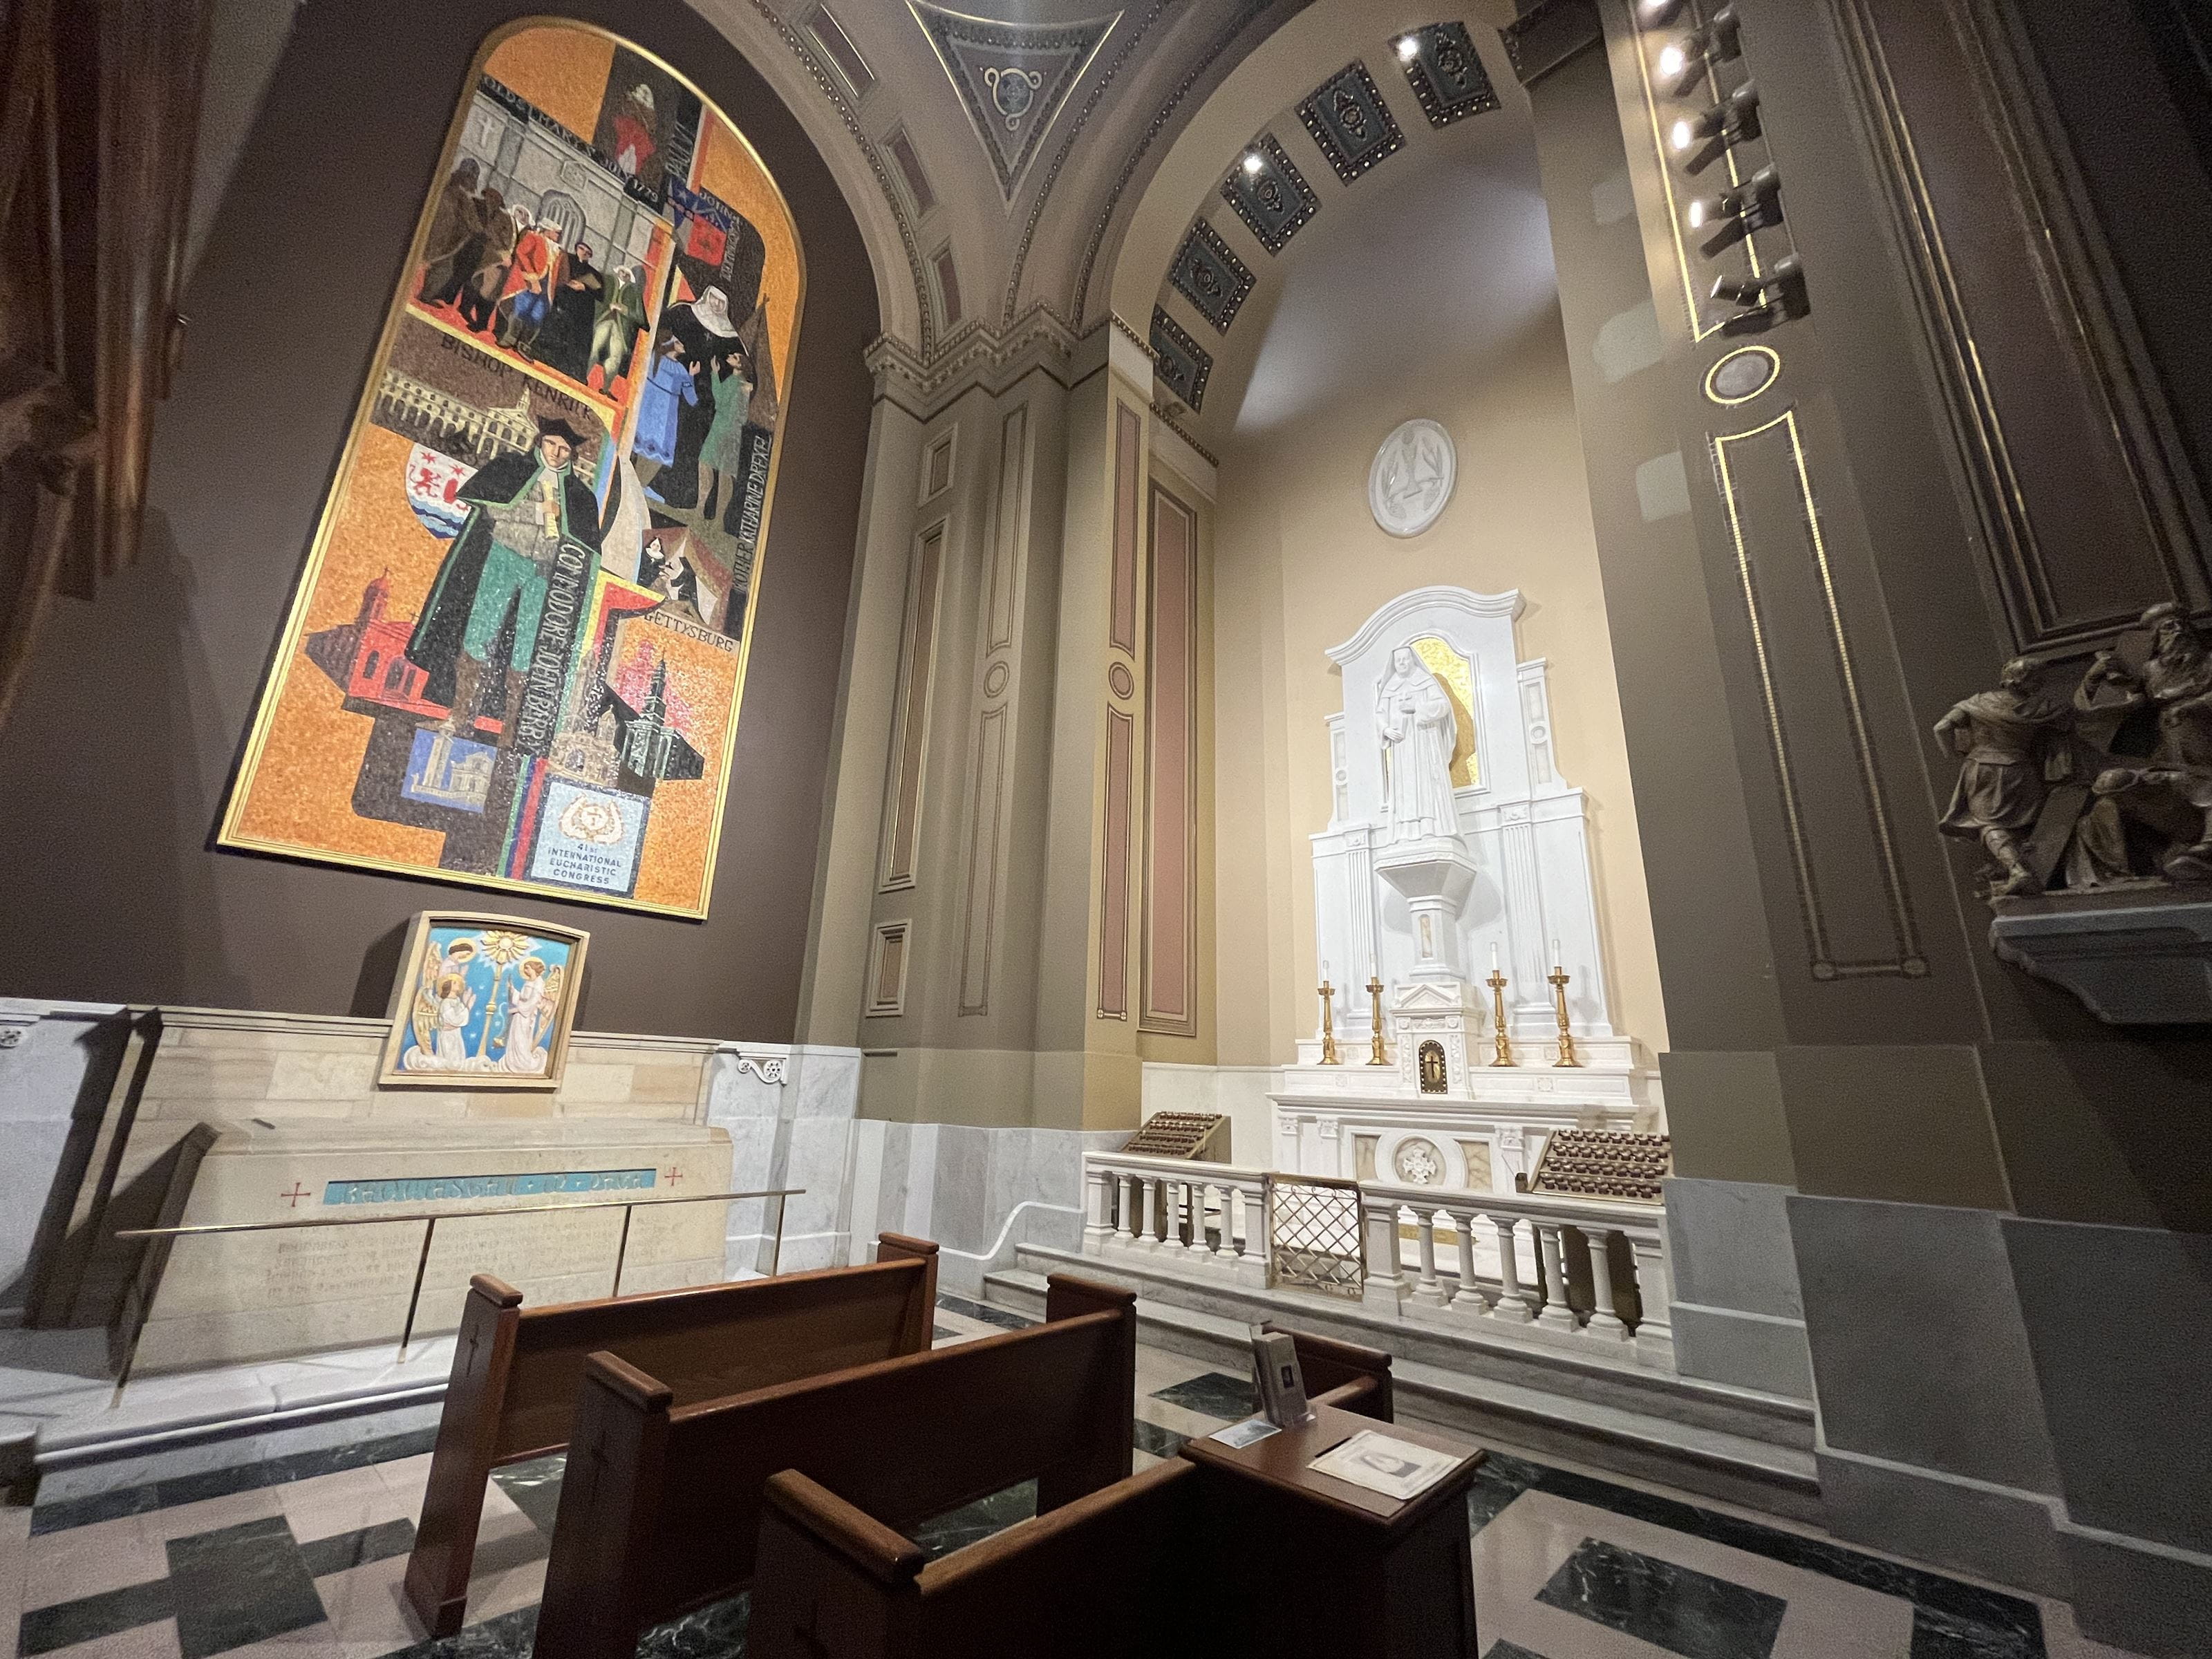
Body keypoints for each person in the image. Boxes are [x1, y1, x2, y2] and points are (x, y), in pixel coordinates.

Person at [404, 416, 606, 744]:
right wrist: (542, 513)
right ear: (541, 442)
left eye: (564, 449)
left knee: (527, 651)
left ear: (572, 455)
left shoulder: (578, 495)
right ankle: (459, 718)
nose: (556, 453)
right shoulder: (511, 467)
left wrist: (554, 525)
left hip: (542, 573)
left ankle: (512, 732)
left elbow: (581, 545)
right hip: (503, 558)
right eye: (552, 444)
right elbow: (496, 510)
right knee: (478, 635)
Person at [1934, 657, 2072, 898]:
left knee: (1990, 823)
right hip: (2021, 770)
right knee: (2021, 826)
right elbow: (2081, 718)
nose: (2038, 685)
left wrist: (1957, 756)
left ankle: (2017, 870)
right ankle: (2014, 869)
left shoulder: (1978, 703)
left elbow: (1941, 729)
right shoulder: (2040, 708)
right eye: (2036, 680)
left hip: (1983, 768)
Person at [1376, 646, 1460, 843]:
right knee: (1405, 788)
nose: (1403, 664)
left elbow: (1443, 706)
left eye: (1406, 659)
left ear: (1413, 660)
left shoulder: (1424, 680)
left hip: (1424, 742)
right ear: (1394, 664)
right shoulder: (1391, 687)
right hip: (1402, 746)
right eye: (1399, 661)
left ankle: (1429, 827)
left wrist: (1417, 707)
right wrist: (1386, 730)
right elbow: (1380, 714)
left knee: (1425, 784)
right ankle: (1405, 831)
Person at [417, 160, 485, 310]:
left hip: (433, 230)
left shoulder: (446, 185)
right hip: (442, 235)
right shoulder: (462, 195)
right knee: (444, 268)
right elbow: (474, 225)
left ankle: (423, 294)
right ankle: (425, 296)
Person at [699, 345, 753, 521]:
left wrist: (715, 374)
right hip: (722, 427)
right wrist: (715, 374)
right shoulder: (734, 380)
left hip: (727, 431)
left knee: (722, 471)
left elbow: (735, 410)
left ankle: (717, 518)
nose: (730, 356)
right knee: (711, 465)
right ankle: (702, 510)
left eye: (735, 357)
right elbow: (720, 397)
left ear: (740, 365)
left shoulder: (742, 385)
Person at [536, 241, 603, 383]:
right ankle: (546, 359)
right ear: (576, 248)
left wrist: (584, 287)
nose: (583, 253)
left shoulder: (594, 273)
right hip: (564, 301)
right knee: (556, 328)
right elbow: (557, 275)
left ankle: (573, 371)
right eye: (581, 249)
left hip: (581, 311)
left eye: (587, 252)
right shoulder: (567, 260)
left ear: (590, 255)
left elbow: (601, 295)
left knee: (578, 339)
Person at [496, 218, 561, 354]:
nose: (558, 236)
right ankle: (510, 339)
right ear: (548, 231)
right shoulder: (534, 237)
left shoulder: (557, 250)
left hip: (547, 288)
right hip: (529, 282)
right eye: (556, 233)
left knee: (537, 316)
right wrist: (532, 278)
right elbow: (521, 253)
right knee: (522, 310)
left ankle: (524, 344)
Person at [458, 194, 517, 335]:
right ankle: (467, 311)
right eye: (519, 212)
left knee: (491, 294)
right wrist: (502, 255)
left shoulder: (525, 230)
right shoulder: (504, 219)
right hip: (492, 259)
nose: (521, 216)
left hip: (506, 269)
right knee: (479, 286)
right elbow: (491, 234)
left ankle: (481, 323)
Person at [588, 263, 646, 393]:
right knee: (594, 349)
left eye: (627, 274)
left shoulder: (634, 293)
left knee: (615, 358)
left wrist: (624, 309)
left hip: (621, 329)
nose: (624, 275)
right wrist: (608, 306)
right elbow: (597, 297)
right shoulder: (608, 281)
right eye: (622, 272)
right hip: (604, 321)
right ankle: (582, 377)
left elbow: (641, 318)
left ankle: (606, 388)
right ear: (618, 271)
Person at [499, 957, 554, 1073]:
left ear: (534, 968)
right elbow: (523, 997)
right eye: (525, 968)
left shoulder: (539, 983)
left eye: (527, 968)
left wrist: (519, 1009)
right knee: (515, 1037)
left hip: (525, 1016)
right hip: (519, 1015)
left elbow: (534, 1001)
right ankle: (514, 1061)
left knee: (521, 1039)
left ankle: (522, 1062)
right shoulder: (529, 982)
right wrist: (512, 990)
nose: (525, 970)